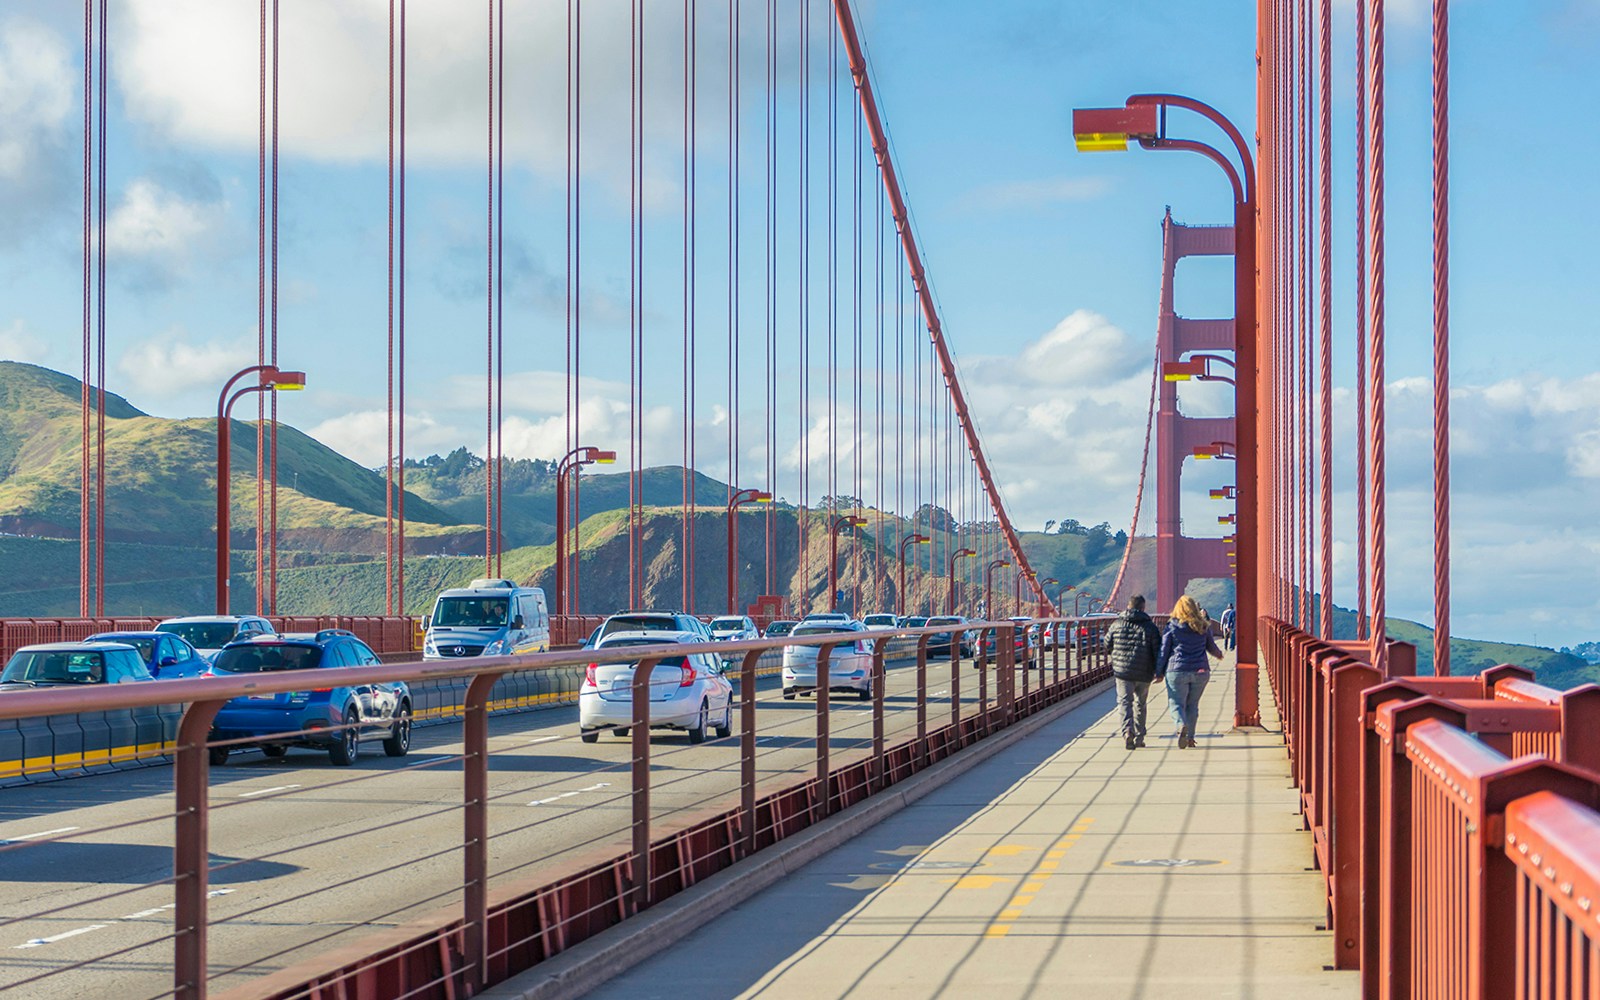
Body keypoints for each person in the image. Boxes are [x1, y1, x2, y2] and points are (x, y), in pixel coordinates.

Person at [1158, 595, 1224, 749]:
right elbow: (1211, 647)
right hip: (1200, 671)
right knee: (1192, 705)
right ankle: (1190, 738)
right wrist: (1219, 654)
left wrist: (1159, 672)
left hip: (1177, 671)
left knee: (1176, 703)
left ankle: (1181, 725)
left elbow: (1164, 651)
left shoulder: (1172, 626)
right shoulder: (1203, 626)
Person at [1103, 595, 1161, 750]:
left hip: (1123, 672)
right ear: (1143, 608)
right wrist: (1159, 671)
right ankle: (1140, 737)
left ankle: (1128, 731)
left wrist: (1116, 654)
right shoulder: (1150, 627)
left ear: (1128, 607)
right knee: (1140, 704)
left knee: (1125, 703)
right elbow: (1157, 651)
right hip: (1144, 672)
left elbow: (1107, 644)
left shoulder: (1116, 624)